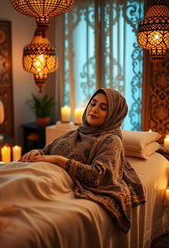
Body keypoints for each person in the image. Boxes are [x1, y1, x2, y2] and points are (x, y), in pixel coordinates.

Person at [20, 88, 145, 233]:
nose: (94, 109)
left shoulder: (111, 140)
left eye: (103, 108)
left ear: (114, 115)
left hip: (53, 181)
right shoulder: (75, 132)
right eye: (93, 104)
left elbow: (100, 175)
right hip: (37, 172)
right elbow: (47, 151)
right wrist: (37, 152)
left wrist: (59, 161)